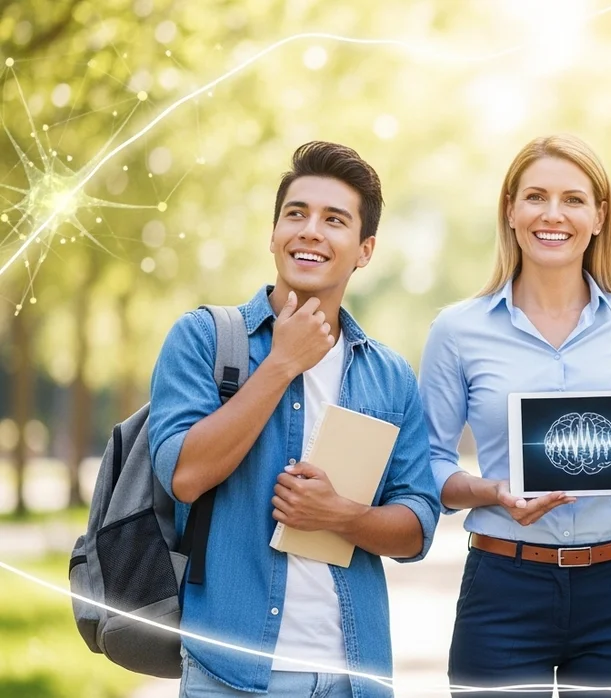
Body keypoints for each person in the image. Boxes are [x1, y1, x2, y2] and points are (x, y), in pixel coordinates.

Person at [418, 134, 611, 697]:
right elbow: (425, 465)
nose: (553, 215)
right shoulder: (458, 331)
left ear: (599, 217)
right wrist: (492, 492)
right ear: (510, 210)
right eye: (535, 197)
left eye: (574, 200)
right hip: (504, 586)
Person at [148, 141, 440, 697]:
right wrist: (282, 363)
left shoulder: (389, 376)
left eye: (334, 220)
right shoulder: (204, 339)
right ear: (274, 233)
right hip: (229, 674)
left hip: (353, 676)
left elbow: (418, 526)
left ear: (364, 249)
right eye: (296, 214)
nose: (310, 231)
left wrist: (341, 516)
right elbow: (183, 474)